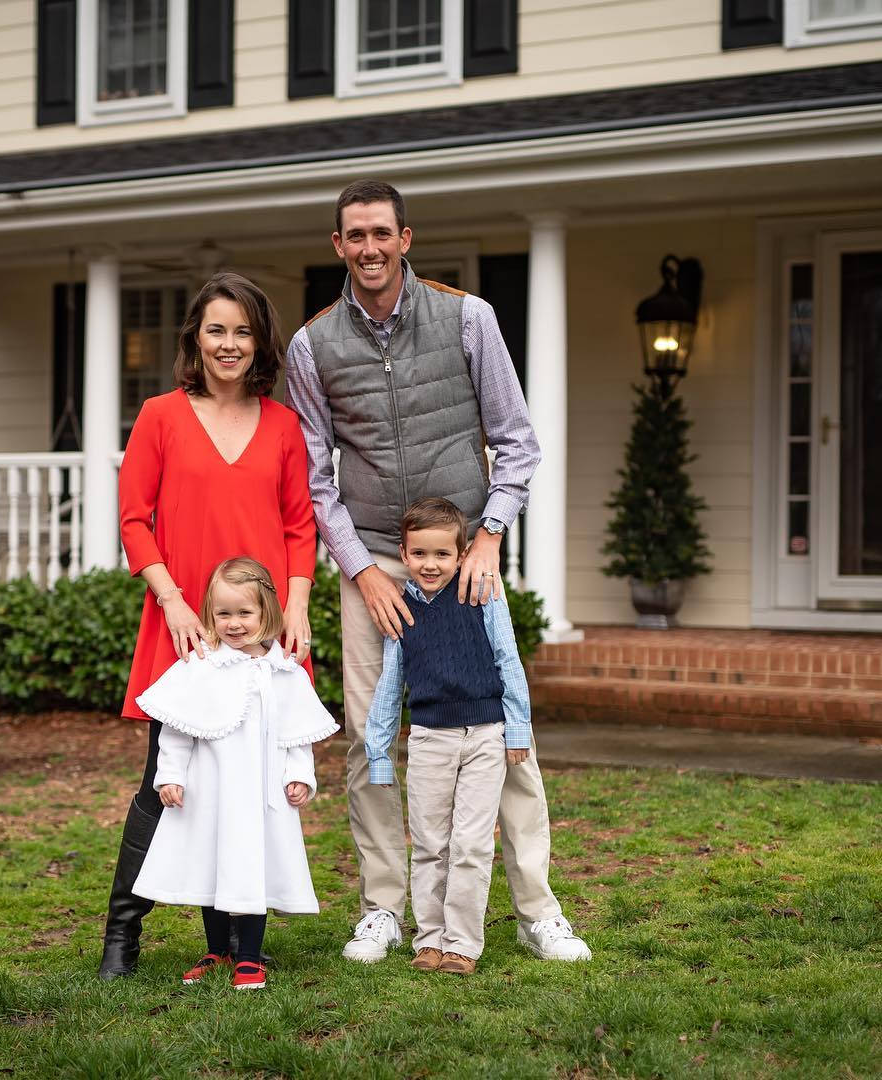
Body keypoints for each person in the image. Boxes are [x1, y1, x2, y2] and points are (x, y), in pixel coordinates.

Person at [285, 179, 591, 964]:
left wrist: (487, 536)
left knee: (505, 732)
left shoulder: (468, 319)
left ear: (406, 238)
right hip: (375, 565)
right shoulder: (312, 345)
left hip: (463, 554)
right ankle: (384, 908)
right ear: (338, 246)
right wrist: (359, 569)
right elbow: (316, 475)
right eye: (355, 235)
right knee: (370, 736)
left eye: (382, 233)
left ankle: (537, 909)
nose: (370, 248)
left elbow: (517, 442)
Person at [100, 272, 318, 980]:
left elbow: (298, 527)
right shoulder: (161, 415)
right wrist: (171, 601)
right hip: (186, 629)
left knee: (251, 780)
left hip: (261, 634)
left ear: (261, 343)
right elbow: (134, 520)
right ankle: (121, 938)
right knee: (162, 780)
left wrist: (298, 613)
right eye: (216, 329)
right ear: (196, 336)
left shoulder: (284, 426)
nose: (229, 344)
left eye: (243, 331)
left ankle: (236, 934)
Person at [132, 558, 339, 989]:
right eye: (223, 613)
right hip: (213, 792)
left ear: (267, 612)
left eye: (244, 613)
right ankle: (217, 950)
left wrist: (299, 775)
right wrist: (170, 776)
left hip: (261, 794)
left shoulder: (283, 670)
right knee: (213, 864)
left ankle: (249, 956)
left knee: (252, 866)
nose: (234, 623)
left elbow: (296, 734)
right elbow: (176, 731)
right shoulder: (201, 667)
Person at [365, 498, 532, 976]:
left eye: (442, 554)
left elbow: (508, 659)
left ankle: (462, 944)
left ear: (461, 555)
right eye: (420, 554)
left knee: (472, 843)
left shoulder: (483, 594)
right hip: (428, 740)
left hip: (485, 735)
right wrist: (379, 753)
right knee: (431, 842)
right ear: (403, 553)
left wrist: (517, 727)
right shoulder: (400, 608)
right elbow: (390, 683)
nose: (430, 564)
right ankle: (430, 939)